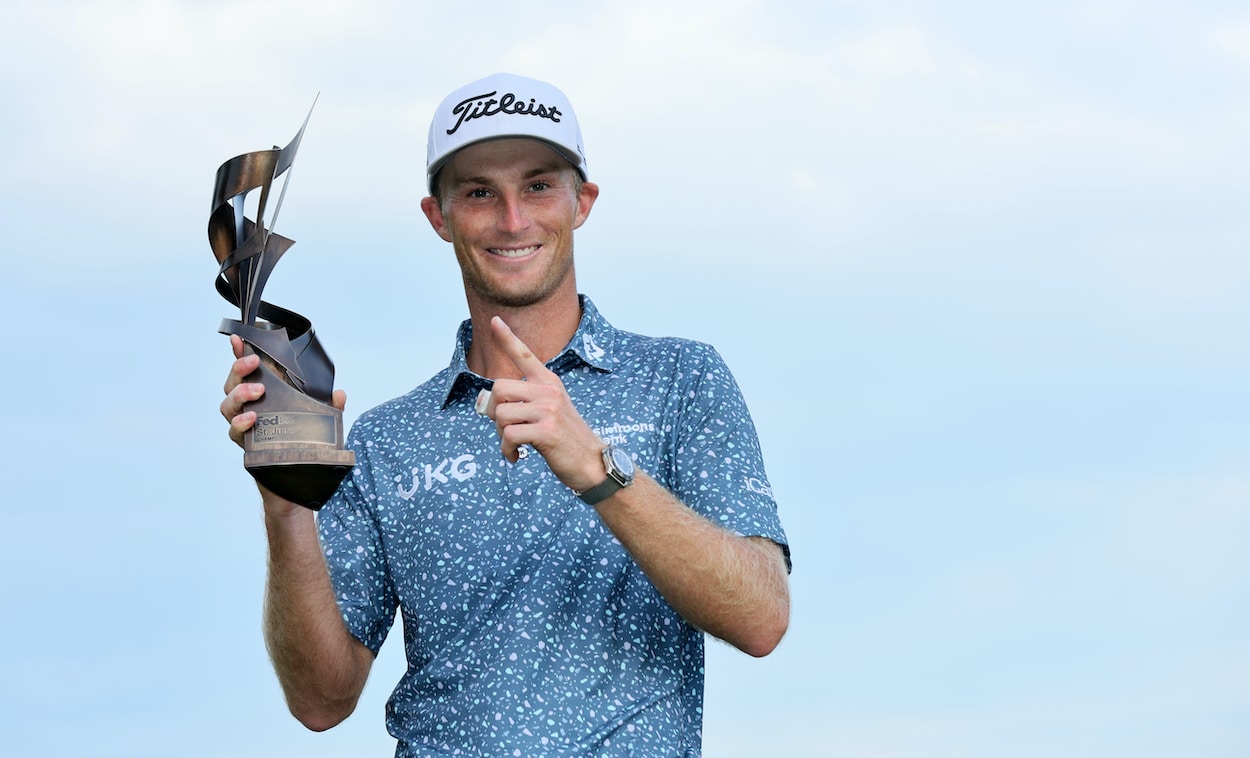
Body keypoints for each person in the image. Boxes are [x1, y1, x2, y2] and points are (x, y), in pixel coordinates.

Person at [220, 72, 791, 757]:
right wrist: (288, 509)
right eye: (480, 192)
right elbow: (320, 701)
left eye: (540, 185)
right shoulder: (387, 439)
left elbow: (762, 617)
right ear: (440, 217)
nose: (513, 219)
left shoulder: (679, 380)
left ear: (583, 201)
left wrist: (595, 467)